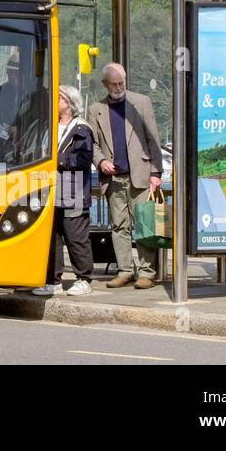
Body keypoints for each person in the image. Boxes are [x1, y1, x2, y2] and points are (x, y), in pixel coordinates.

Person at [89, 62, 163, 289]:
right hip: (113, 178)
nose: (119, 87)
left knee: (144, 224)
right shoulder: (95, 109)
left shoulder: (141, 102)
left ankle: (147, 273)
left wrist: (155, 172)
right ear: (105, 84)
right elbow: (91, 143)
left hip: (140, 174)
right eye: (114, 84)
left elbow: (153, 139)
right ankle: (125, 270)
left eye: (121, 82)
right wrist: (101, 161)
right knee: (119, 226)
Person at [34, 85, 95, 296]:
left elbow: (83, 159)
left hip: (74, 191)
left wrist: (56, 159)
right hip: (51, 189)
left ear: (69, 103)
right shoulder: (48, 126)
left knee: (76, 236)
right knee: (53, 237)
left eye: (58, 98)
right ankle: (53, 279)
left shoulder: (82, 129)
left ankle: (84, 278)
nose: (54, 101)